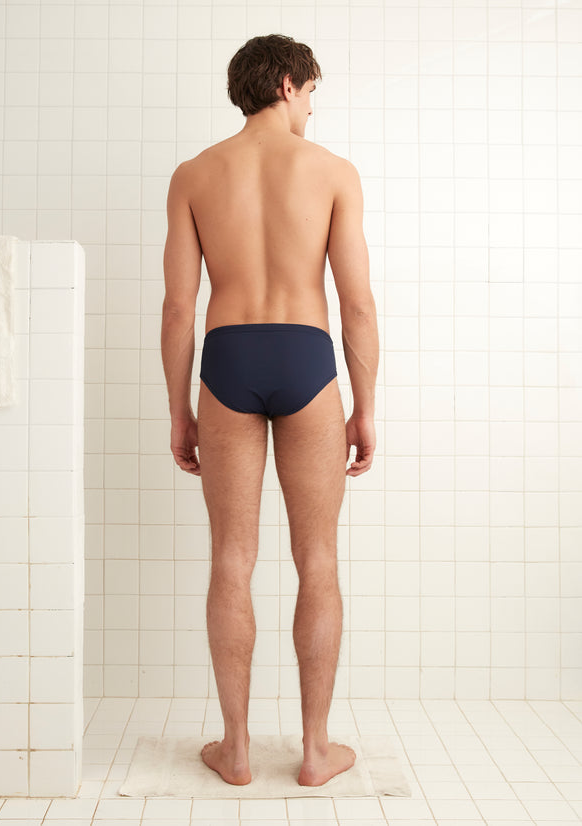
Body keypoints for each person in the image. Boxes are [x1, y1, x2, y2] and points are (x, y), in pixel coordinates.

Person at [161, 34, 378, 787]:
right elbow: (355, 304)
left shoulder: (193, 175)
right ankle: (317, 751)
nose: (314, 107)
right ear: (287, 84)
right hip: (307, 360)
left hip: (226, 360)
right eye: (312, 92)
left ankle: (238, 748)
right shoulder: (332, 174)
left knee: (232, 559)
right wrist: (366, 406)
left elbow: (180, 309)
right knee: (317, 559)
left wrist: (178, 410)